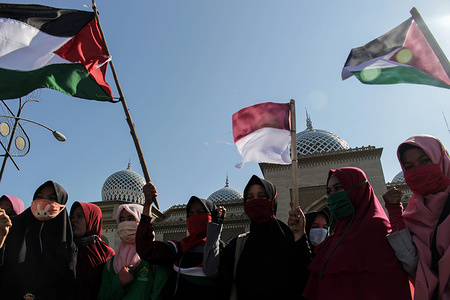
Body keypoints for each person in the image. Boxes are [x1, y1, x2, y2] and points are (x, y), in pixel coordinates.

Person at [298, 167, 411, 300]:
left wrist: (395, 210)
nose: (333, 195)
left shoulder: (375, 227)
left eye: (339, 188)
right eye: (329, 191)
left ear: (358, 189)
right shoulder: (337, 234)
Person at [219, 175, 311, 299]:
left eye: (262, 196)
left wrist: (300, 236)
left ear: (273, 200)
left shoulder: (290, 240)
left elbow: (308, 279)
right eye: (250, 198)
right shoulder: (237, 246)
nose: (256, 201)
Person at [383, 134, 450, 299]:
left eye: (425, 161)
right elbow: (415, 266)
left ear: (441, 160)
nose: (418, 170)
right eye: (409, 166)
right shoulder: (414, 213)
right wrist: (395, 213)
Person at [136, 182, 226, 299]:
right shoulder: (177, 249)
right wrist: (148, 205)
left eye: (200, 213)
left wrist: (215, 229)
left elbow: (214, 272)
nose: (194, 217)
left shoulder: (223, 250)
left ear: (212, 216)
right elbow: (145, 249)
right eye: (190, 214)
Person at [0, 180, 77, 299]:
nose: (43, 202)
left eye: (52, 198)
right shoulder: (15, 232)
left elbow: (68, 286)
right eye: (39, 197)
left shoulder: (68, 247)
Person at [98, 203, 169, 299]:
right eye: (122, 220)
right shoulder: (111, 264)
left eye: (131, 218)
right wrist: (119, 281)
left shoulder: (154, 259)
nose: (125, 224)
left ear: (142, 222)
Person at [70, 201, 115, 300]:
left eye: (79, 216)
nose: (74, 220)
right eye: (72, 217)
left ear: (92, 219)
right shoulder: (67, 249)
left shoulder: (105, 253)